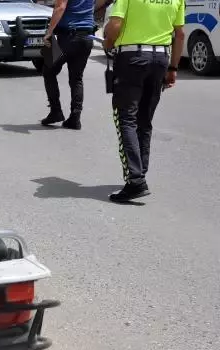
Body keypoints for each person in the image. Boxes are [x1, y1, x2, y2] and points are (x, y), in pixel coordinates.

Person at [104, 0, 185, 202]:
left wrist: (107, 43)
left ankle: (135, 179)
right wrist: (173, 68)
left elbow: (115, 25)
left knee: (126, 118)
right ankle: (140, 171)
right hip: (160, 59)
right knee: (144, 120)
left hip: (132, 58)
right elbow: (180, 34)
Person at [40, 0, 96, 131]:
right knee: (76, 78)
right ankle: (75, 117)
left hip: (67, 36)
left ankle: (55, 111)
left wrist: (49, 32)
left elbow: (60, 7)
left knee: (48, 71)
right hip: (87, 36)